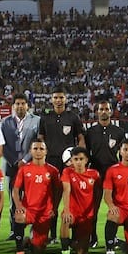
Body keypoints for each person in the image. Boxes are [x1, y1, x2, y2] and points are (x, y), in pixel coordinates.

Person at [38, 88, 85, 243]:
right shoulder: (45, 118)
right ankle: (51, 235)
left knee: (72, 196)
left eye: (61, 97)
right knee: (51, 199)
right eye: (56, 97)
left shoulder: (73, 117)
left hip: (68, 165)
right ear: (51, 99)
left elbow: (80, 138)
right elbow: (40, 138)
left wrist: (82, 157)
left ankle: (78, 234)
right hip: (50, 162)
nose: (58, 100)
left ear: (66, 99)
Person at [82, 99, 126, 246]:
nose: (104, 112)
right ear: (96, 112)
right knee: (92, 208)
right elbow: (85, 155)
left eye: (106, 109)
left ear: (111, 111)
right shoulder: (90, 132)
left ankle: (114, 238)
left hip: (114, 176)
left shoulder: (119, 132)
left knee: (118, 207)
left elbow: (123, 156)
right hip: (95, 174)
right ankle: (92, 238)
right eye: (101, 109)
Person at [9, 139, 55, 254]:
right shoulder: (24, 169)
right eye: (35, 149)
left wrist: (53, 207)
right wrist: (19, 206)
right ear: (30, 151)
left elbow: (58, 191)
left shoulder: (52, 171)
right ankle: (20, 250)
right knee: (19, 216)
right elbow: (15, 190)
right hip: (28, 209)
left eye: (41, 149)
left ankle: (29, 240)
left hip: (44, 212)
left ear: (46, 152)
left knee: (38, 250)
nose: (38, 151)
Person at [59, 147, 100, 254]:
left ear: (86, 160)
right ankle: (65, 251)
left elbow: (98, 195)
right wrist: (66, 210)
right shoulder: (67, 172)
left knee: (82, 251)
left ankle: (73, 242)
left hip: (87, 215)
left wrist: (94, 212)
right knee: (65, 219)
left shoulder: (94, 175)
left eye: (81, 159)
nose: (78, 162)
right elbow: (66, 190)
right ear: (71, 160)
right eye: (75, 159)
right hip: (73, 212)